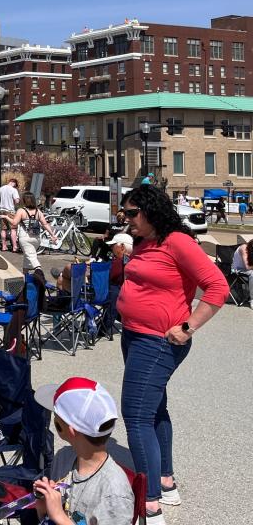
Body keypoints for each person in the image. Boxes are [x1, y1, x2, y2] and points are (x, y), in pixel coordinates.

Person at [117, 185, 228, 522]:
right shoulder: (142, 241)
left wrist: (187, 327)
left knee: (136, 417)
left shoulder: (177, 241)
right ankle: (165, 481)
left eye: (132, 212)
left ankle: (149, 504)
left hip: (159, 342)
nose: (126, 218)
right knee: (153, 409)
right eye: (124, 212)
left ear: (152, 212)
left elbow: (218, 287)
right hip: (134, 336)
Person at [32, 378, 134, 525]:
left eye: (56, 417)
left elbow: (59, 516)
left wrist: (60, 517)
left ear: (71, 430)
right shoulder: (64, 458)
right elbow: (48, 516)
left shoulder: (114, 493)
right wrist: (43, 504)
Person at [3, 190, 58, 287]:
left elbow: (14, 223)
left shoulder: (21, 211)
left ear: (24, 201)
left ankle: (41, 278)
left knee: (32, 259)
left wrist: (6, 217)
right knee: (27, 259)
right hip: (36, 239)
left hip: (25, 238)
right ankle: (25, 280)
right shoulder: (38, 211)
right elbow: (45, 224)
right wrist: (52, 235)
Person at [103, 232, 133, 335]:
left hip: (113, 295)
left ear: (122, 247)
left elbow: (107, 277)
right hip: (126, 297)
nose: (111, 248)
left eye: (113, 245)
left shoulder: (118, 262)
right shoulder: (133, 259)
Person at [0, 178, 21, 252]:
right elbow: (17, 201)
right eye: (15, 185)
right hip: (10, 211)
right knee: (13, 229)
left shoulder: (1, 188)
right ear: (14, 183)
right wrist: (15, 202)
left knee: (3, 229)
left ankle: (4, 246)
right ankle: (14, 247)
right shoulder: (13, 190)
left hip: (2, 210)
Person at [230, 239, 253, 305]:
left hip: (247, 270)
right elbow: (248, 267)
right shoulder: (244, 248)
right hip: (237, 271)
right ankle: (252, 299)